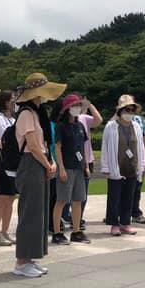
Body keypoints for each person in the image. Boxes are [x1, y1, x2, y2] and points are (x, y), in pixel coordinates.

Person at [13, 73, 65, 278]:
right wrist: (48, 163)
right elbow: (33, 146)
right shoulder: (27, 114)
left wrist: (49, 162)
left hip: (39, 163)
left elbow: (41, 145)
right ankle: (21, 260)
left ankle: (30, 257)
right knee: (30, 212)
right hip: (31, 164)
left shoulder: (36, 114)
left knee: (39, 212)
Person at [100, 95, 145, 237]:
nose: (129, 112)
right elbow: (105, 147)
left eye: (132, 110)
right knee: (115, 197)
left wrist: (141, 166)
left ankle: (125, 223)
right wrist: (106, 167)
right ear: (120, 110)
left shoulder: (137, 127)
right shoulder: (111, 126)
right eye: (127, 109)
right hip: (116, 167)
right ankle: (114, 223)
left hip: (131, 167)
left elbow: (140, 147)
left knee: (129, 196)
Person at [52, 94, 92, 245]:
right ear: (68, 109)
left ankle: (76, 231)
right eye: (74, 106)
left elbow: (83, 147)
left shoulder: (80, 126)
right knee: (62, 200)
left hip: (79, 167)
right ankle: (57, 232)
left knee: (78, 200)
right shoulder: (61, 126)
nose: (77, 109)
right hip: (67, 167)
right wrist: (61, 168)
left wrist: (86, 165)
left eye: (79, 106)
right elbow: (58, 147)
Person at [62, 95, 103, 231]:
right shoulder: (64, 123)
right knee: (66, 194)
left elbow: (98, 120)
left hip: (86, 159)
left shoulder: (83, 119)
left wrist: (89, 105)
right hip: (69, 161)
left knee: (81, 194)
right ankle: (65, 216)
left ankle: (77, 219)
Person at [0, 89, 17, 246]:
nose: (13, 102)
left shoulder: (14, 120)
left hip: (14, 161)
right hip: (1, 159)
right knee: (2, 197)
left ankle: (5, 230)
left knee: (11, 197)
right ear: (5, 101)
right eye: (11, 99)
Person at [130, 100, 145, 225]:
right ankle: (116, 213)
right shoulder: (116, 120)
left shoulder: (139, 120)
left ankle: (135, 212)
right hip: (123, 159)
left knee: (137, 187)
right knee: (120, 188)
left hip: (138, 158)